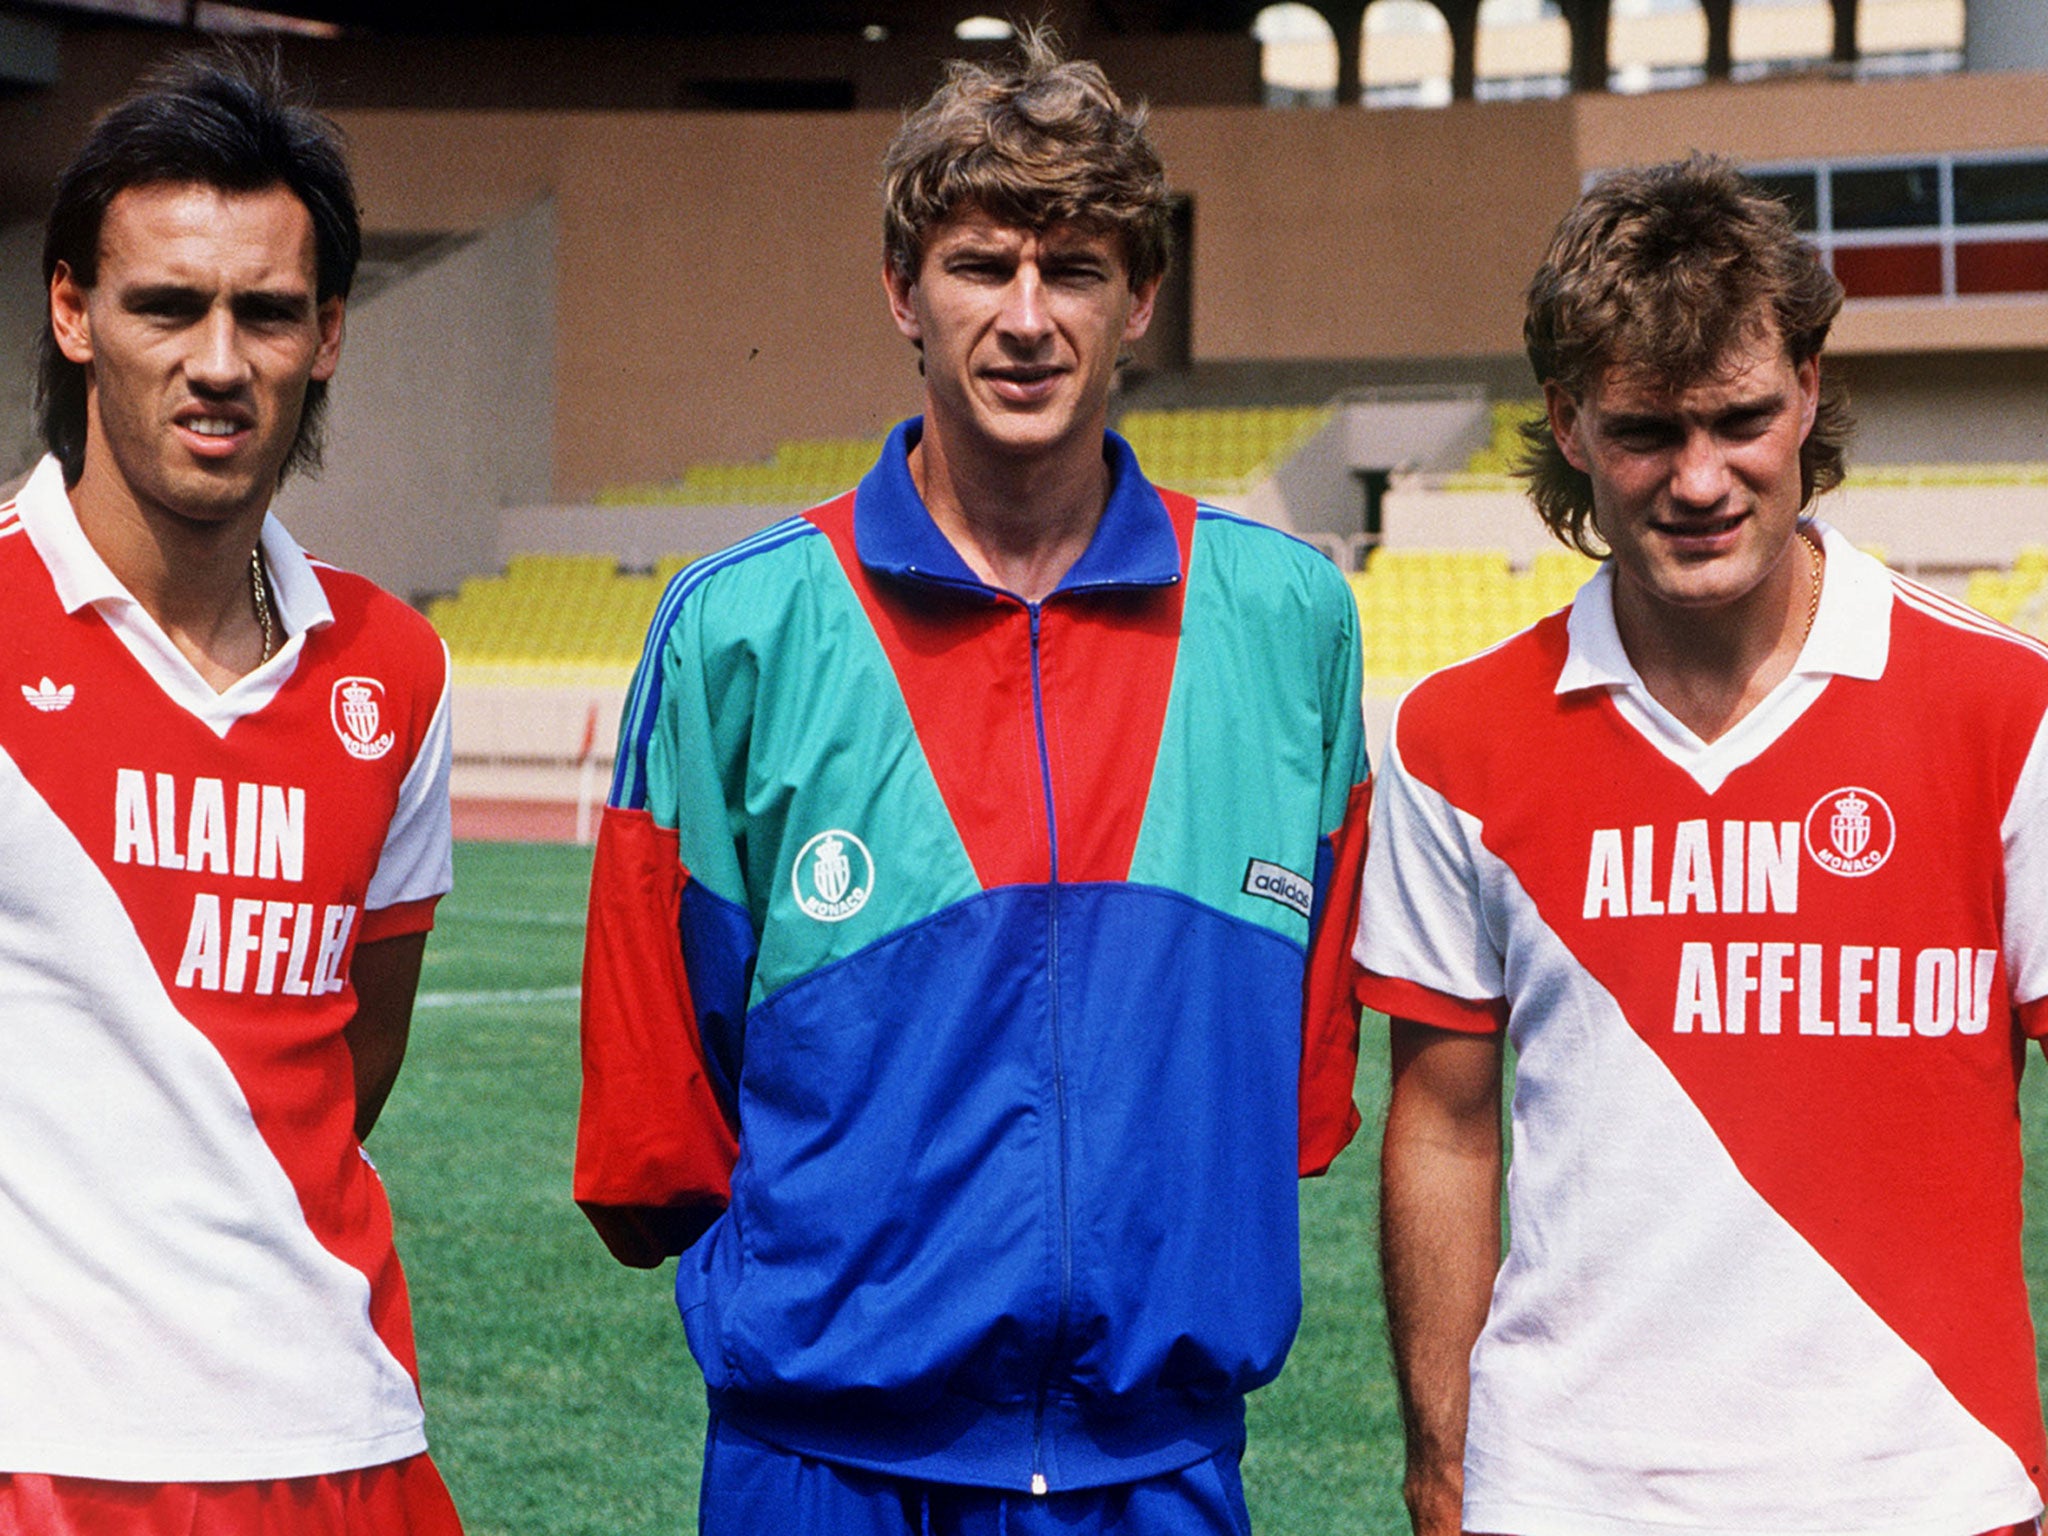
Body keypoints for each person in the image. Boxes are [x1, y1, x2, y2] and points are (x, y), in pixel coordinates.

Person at [575, 29, 1370, 1536]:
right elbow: (652, 1136)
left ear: (1142, 296)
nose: (1024, 317)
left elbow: (1301, 1094)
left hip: (1159, 1468)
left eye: (1072, 268)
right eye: (978, 264)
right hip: (821, 1468)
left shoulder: (1287, 621)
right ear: (901, 291)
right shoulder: (742, 625)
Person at [1359, 152, 2048, 1536]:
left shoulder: (2006, 711)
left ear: (1807, 389)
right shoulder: (1451, 738)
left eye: (1740, 420)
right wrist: (1445, 1471)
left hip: (1924, 1488)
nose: (1700, 480)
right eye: (1645, 432)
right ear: (1565, 421)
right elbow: (1440, 1122)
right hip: (1567, 1496)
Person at [0, 49, 460, 1534]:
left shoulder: (394, 669)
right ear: (73, 313)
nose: (218, 360)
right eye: (165, 306)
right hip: (49, 1453)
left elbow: (351, 1060)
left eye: (266, 312)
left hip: (343, 1425)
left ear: (327, 334)